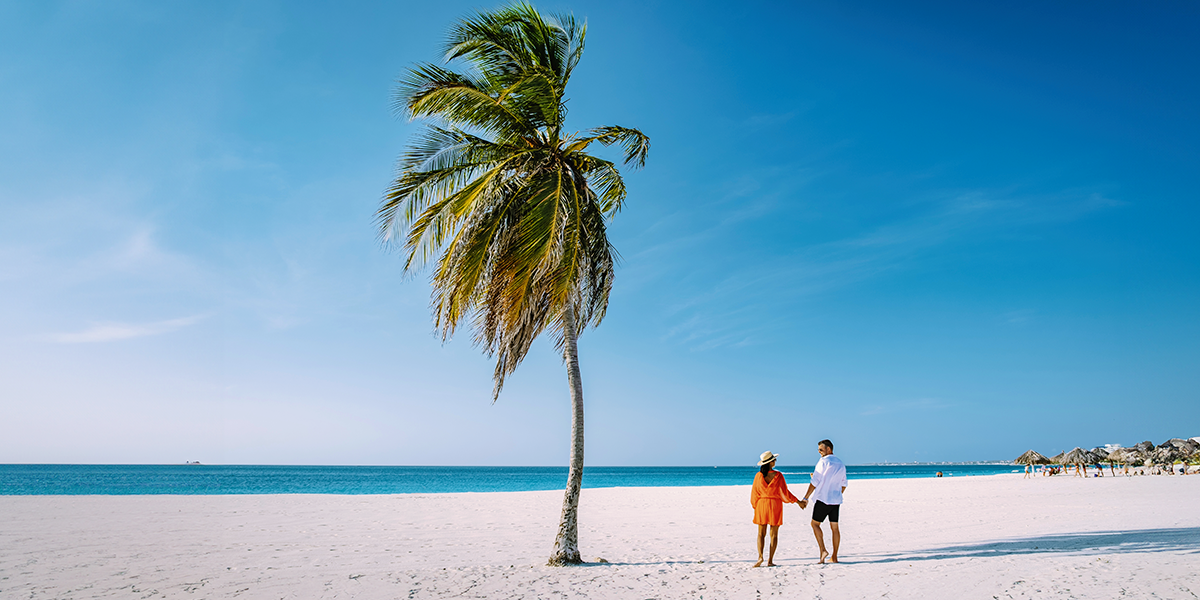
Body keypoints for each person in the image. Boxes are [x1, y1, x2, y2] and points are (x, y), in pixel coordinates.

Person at [799, 439, 847, 564]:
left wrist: (805, 498)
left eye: (821, 449)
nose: (819, 452)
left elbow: (815, 481)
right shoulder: (841, 463)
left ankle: (823, 550)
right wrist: (836, 494)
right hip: (835, 501)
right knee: (835, 528)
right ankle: (834, 557)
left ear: (829, 449)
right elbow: (844, 484)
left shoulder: (823, 461)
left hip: (823, 499)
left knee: (815, 524)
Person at [751, 451, 800, 567]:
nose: (775, 461)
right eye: (774, 460)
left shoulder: (758, 476)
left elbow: (754, 494)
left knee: (760, 534)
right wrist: (798, 502)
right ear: (770, 462)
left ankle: (760, 557)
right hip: (775, 505)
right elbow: (785, 493)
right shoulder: (778, 475)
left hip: (761, 505)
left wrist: (756, 507)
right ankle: (770, 560)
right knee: (774, 535)